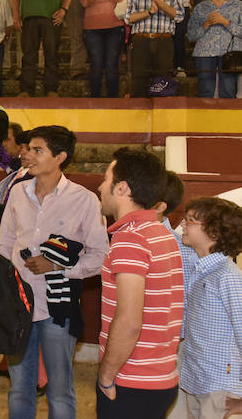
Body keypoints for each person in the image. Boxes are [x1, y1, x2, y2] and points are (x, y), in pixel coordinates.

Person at [0, 125, 108, 419]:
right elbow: (4, 246)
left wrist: (58, 266)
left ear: (60, 157)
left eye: (37, 150)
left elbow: (101, 257)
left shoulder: (84, 200)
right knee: (19, 387)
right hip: (19, 305)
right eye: (27, 149)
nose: (27, 156)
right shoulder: (18, 192)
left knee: (60, 390)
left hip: (58, 307)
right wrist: (2, 291)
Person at [96, 148, 184, 419]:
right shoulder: (159, 232)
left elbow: (129, 321)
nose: (100, 186)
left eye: (106, 179)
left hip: (131, 380)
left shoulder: (130, 239)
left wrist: (107, 375)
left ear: (121, 188)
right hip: (160, 376)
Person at [171, 197, 242, 419]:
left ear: (214, 233)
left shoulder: (228, 277)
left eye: (191, 221)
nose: (183, 224)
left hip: (220, 384)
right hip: (195, 377)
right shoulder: (199, 269)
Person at [12, 0, 74, 97]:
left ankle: (51, 90)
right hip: (29, 19)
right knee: (29, 55)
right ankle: (26, 90)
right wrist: (16, 16)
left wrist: (64, 10)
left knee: (52, 54)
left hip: (52, 18)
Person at [124, 0, 184, 97]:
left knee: (163, 82)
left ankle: (161, 116)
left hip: (164, 41)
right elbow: (128, 18)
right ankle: (138, 115)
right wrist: (149, 12)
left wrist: (160, 2)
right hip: (141, 41)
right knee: (138, 82)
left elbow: (179, 16)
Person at [187, 0, 242, 98]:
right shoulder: (200, 7)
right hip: (204, 53)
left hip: (230, 53)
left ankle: (226, 118)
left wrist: (226, 23)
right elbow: (191, 35)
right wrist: (205, 26)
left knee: (228, 90)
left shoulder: (238, 6)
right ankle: (206, 117)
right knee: (205, 90)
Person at [80, 0, 129, 98]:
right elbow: (85, 2)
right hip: (92, 30)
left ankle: (112, 98)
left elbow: (122, 0)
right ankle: (94, 97)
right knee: (96, 63)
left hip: (114, 28)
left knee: (111, 63)